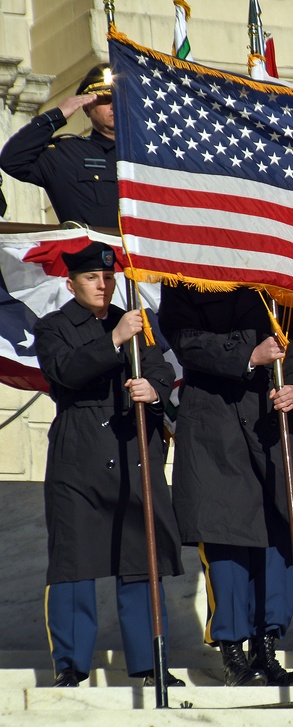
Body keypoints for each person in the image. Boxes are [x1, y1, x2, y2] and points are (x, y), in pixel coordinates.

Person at [33, 242, 184, 687]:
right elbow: (66, 370)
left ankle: (149, 661)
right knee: (74, 562)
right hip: (79, 454)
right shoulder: (54, 327)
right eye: (91, 279)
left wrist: (153, 393)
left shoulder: (136, 323)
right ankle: (72, 665)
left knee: (142, 558)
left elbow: (159, 372)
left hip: (132, 450)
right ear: (71, 283)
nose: (103, 285)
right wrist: (114, 339)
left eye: (108, 278)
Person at [157, 285, 293, 687]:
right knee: (224, 538)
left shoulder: (274, 278)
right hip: (215, 420)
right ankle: (233, 652)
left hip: (271, 416)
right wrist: (249, 353)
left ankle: (267, 650)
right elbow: (183, 339)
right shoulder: (185, 274)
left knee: (278, 534)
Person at [0, 63, 118, 228]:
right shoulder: (66, 154)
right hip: (97, 252)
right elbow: (13, 159)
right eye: (105, 100)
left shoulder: (151, 158)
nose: (114, 106)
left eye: (119, 99)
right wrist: (57, 115)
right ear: (86, 107)